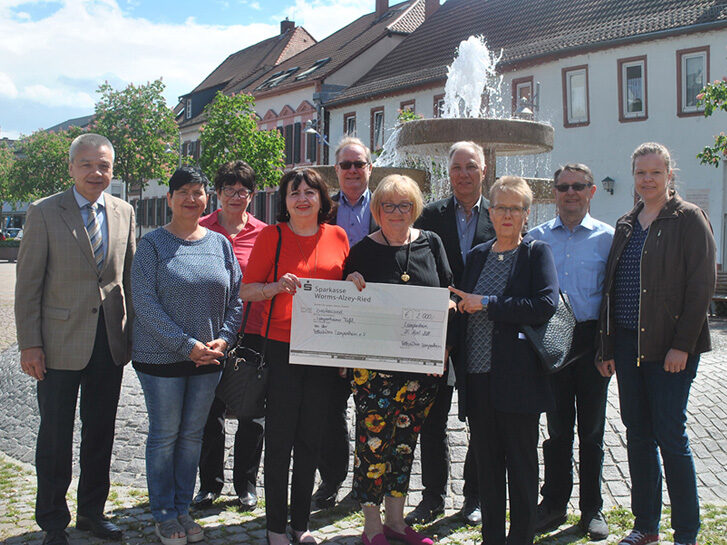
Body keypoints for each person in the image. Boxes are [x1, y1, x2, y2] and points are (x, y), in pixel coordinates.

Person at [15, 134, 135, 545]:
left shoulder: (125, 212)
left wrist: (131, 337)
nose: (95, 172)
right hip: (57, 343)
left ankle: (92, 514)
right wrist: (30, 343)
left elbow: (129, 280)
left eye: (103, 165)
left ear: (112, 169)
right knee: (55, 436)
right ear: (71, 168)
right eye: (86, 164)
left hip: (109, 343)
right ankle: (51, 521)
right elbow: (28, 284)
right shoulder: (44, 212)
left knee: (100, 434)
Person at [596, 143, 716, 545]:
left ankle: (685, 532)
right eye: (641, 173)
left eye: (655, 172)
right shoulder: (627, 223)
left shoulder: (688, 219)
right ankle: (646, 526)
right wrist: (607, 347)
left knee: (671, 435)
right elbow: (611, 290)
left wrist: (683, 345)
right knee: (638, 435)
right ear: (634, 176)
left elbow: (701, 286)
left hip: (669, 349)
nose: (648, 179)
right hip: (629, 346)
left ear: (669, 175)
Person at [131, 166, 243, 545]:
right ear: (169, 198)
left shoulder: (220, 244)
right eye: (183, 192)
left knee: (192, 436)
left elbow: (237, 298)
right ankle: (164, 513)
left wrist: (223, 341)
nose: (191, 199)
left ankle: (182, 508)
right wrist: (186, 346)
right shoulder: (151, 246)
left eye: (198, 192)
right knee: (165, 436)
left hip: (209, 359)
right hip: (161, 360)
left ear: (205, 199)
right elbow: (144, 305)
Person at [240, 168, 349, 545]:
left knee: (310, 439)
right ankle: (274, 527)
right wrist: (274, 287)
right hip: (281, 347)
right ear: (285, 201)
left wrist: (354, 283)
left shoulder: (338, 236)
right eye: (293, 192)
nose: (302, 198)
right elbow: (246, 290)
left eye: (309, 191)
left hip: (321, 351)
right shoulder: (273, 236)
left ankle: (301, 524)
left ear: (321, 198)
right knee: (281, 438)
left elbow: (345, 291)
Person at [345, 174, 453, 545]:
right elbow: (345, 304)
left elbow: (447, 292)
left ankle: (396, 521)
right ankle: (372, 526)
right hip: (374, 371)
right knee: (373, 442)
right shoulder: (362, 250)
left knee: (405, 444)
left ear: (415, 209)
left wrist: (448, 313)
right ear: (376, 210)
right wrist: (351, 281)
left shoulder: (432, 243)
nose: (396, 212)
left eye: (404, 205)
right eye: (388, 205)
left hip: (420, 369)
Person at [449, 176, 558, 545]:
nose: (507, 215)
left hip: (519, 379)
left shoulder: (535, 253)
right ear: (490, 212)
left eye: (515, 208)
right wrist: (458, 306)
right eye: (500, 208)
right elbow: (466, 305)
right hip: (478, 378)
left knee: (522, 469)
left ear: (526, 214)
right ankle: (492, 537)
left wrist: (489, 304)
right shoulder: (478, 255)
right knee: (488, 468)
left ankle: (521, 539)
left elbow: (545, 305)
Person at [409, 141, 493, 525]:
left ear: (483, 170)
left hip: (482, 330)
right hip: (436, 330)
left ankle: (474, 496)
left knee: (480, 414)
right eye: (457, 167)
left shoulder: (499, 214)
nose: (463, 173)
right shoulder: (429, 215)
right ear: (449, 172)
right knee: (433, 417)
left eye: (470, 166)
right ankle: (433, 496)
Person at [529, 163, 613, 540]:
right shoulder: (536, 238)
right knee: (557, 429)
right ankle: (554, 503)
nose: (570, 193)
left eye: (578, 186)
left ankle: (592, 509)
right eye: (563, 187)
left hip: (593, 342)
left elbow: (614, 297)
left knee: (592, 432)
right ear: (554, 192)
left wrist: (609, 347)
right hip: (553, 342)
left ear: (591, 191)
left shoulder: (608, 239)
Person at [192, 160, 267, 511]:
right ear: (217, 193)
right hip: (207, 332)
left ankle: (246, 485)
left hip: (252, 334)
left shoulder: (265, 234)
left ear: (252, 196)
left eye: (243, 191)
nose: (236, 196)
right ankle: (209, 485)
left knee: (252, 413)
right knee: (210, 411)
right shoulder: (198, 229)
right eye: (228, 190)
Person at [313, 136, 378, 509]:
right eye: (346, 165)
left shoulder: (387, 208)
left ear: (370, 168)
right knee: (330, 410)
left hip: (374, 322)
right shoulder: (325, 212)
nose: (352, 171)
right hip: (332, 322)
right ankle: (331, 480)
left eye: (359, 164)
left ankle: (367, 486)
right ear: (336, 171)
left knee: (373, 410)